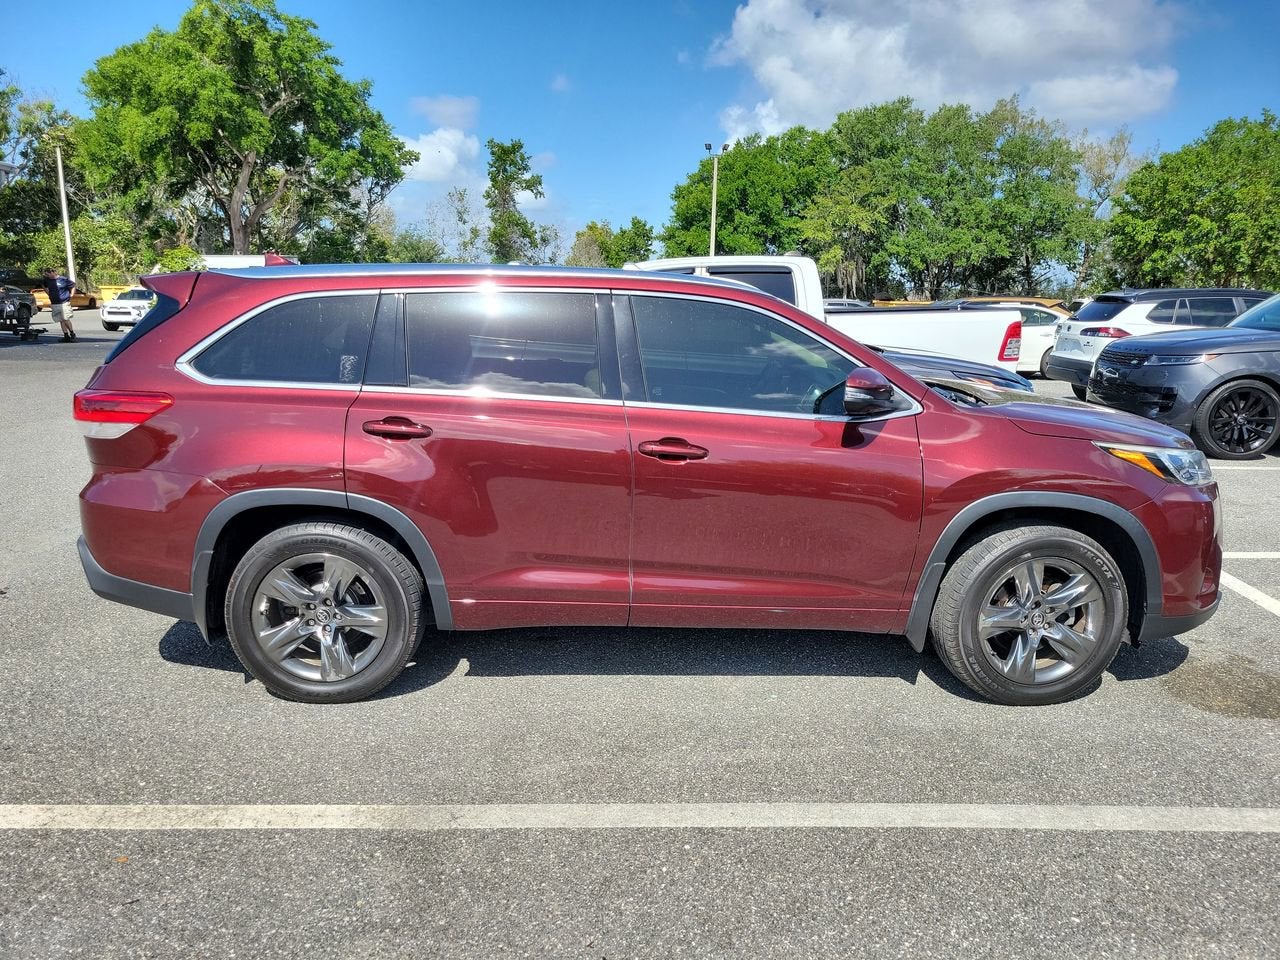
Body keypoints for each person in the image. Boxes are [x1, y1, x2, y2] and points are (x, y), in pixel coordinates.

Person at [41, 267, 77, 342]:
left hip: (64, 302)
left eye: (48, 274)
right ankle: (66, 335)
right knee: (61, 320)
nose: (48, 276)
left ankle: (72, 333)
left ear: (52, 272)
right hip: (55, 303)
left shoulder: (63, 279)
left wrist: (72, 295)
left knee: (66, 318)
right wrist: (48, 293)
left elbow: (73, 285)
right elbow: (43, 285)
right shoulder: (47, 280)